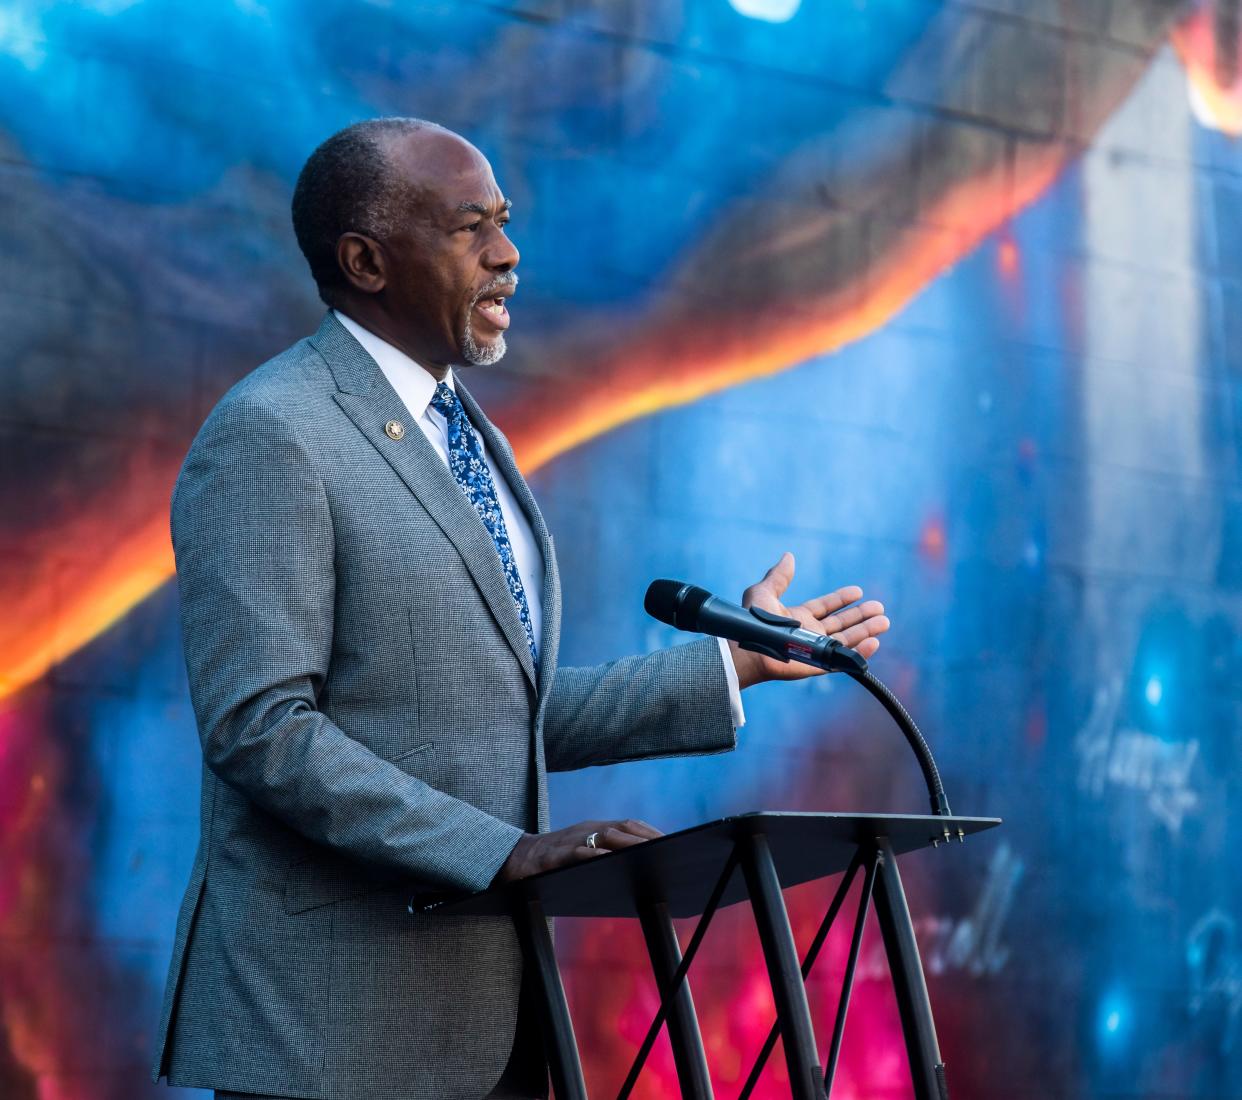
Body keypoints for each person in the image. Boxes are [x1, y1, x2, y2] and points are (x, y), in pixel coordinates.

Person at [151, 117, 889, 1100]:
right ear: (366, 260)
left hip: (491, 1029)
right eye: (470, 229)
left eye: (503, 221)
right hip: (331, 1038)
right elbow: (262, 729)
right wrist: (501, 850)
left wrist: (739, 660)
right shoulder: (271, 434)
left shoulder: (466, 433)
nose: (508, 253)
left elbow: (497, 712)